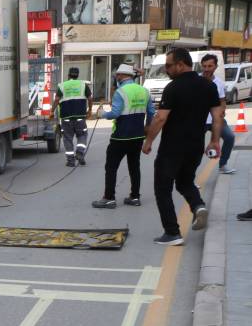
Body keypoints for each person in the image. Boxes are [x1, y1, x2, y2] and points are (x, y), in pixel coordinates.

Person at [141, 48, 224, 245]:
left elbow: (161, 117)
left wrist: (149, 141)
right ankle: (198, 206)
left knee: (163, 188)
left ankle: (172, 233)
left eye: (169, 66)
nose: (166, 70)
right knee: (185, 182)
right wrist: (214, 141)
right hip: (195, 145)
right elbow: (218, 116)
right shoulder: (208, 86)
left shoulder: (173, 88)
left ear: (180, 64)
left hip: (172, 147)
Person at [93, 64, 155, 209]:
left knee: (111, 167)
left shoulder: (120, 92)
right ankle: (135, 197)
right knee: (134, 166)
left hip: (120, 137)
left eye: (117, 75)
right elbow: (151, 112)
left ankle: (109, 198)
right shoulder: (144, 91)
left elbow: (115, 113)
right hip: (137, 136)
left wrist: (102, 114)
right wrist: (147, 126)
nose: (116, 78)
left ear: (121, 76)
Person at [200, 54, 236, 174]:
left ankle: (223, 165)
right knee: (195, 148)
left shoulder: (219, 83)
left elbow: (222, 101)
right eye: (204, 66)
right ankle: (189, 178)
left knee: (230, 137)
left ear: (215, 66)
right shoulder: (197, 81)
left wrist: (222, 113)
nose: (206, 69)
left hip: (216, 120)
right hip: (200, 121)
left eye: (210, 66)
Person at [55, 68, 92, 166]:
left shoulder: (62, 85)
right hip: (80, 117)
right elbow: (90, 98)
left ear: (68, 75)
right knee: (82, 135)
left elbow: (57, 99)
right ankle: (80, 152)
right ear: (78, 75)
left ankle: (71, 161)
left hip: (66, 118)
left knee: (67, 138)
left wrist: (51, 111)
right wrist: (90, 110)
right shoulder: (83, 85)